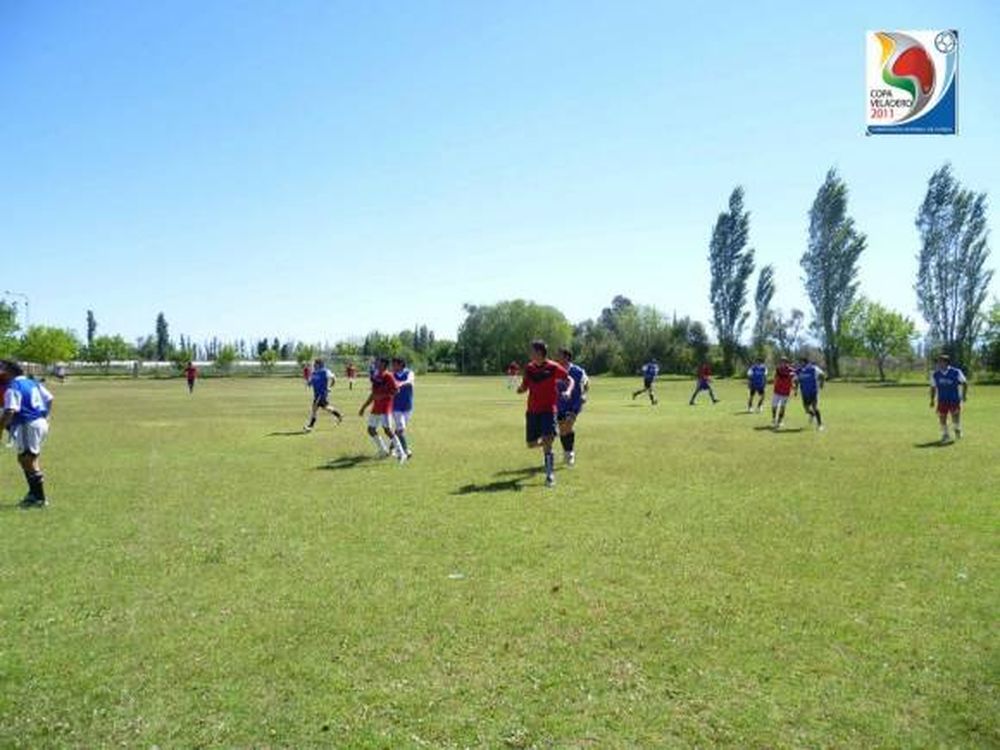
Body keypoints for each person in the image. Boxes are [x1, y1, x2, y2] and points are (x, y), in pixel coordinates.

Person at [518, 340, 574, 487]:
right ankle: (547, 441)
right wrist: (521, 389)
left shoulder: (553, 367)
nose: (530, 354)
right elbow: (525, 386)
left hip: (548, 410)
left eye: (532, 351)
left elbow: (570, 380)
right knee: (531, 444)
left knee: (547, 443)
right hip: (532, 411)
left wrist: (568, 391)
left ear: (539, 352)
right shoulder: (529, 368)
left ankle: (550, 475)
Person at [0, 360, 54, 508]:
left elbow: (10, 410)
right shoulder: (32, 382)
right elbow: (49, 398)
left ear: (9, 371)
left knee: (27, 460)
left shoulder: (13, 387)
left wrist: (1, 427)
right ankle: (33, 494)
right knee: (26, 458)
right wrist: (45, 416)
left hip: (26, 423)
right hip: (39, 422)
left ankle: (39, 498)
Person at [358, 357, 406, 462]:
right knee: (371, 430)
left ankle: (401, 453)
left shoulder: (388, 376)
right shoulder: (376, 376)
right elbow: (373, 394)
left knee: (387, 431)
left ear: (384, 364)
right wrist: (364, 407)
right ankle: (383, 450)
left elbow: (396, 390)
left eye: (378, 362)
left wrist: (383, 396)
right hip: (376, 408)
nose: (376, 363)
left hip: (385, 408)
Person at [556, 348, 589, 467]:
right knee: (562, 429)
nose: (557, 357)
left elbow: (586, 383)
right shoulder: (556, 370)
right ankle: (566, 452)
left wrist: (584, 394)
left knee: (568, 425)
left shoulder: (577, 371)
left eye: (559, 355)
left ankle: (570, 454)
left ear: (566, 357)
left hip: (574, 403)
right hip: (559, 405)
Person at [930, 354, 968, 442]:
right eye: (938, 362)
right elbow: (933, 387)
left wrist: (964, 395)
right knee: (942, 417)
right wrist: (932, 400)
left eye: (940, 362)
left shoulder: (956, 372)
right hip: (942, 400)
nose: (938, 364)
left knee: (955, 416)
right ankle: (945, 434)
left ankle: (957, 428)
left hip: (954, 399)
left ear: (946, 362)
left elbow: (965, 383)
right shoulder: (935, 374)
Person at [304, 358, 343, 431]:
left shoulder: (325, 371)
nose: (314, 365)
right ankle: (339, 415)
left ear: (319, 364)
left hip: (322, 394)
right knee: (326, 407)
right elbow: (310, 382)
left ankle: (310, 426)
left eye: (315, 363)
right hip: (316, 394)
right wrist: (308, 383)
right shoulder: (314, 373)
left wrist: (330, 387)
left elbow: (334, 378)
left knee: (314, 408)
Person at [391, 357, 415, 459]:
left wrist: (400, 383)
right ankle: (406, 450)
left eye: (395, 364)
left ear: (401, 365)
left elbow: (410, 381)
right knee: (401, 429)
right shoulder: (391, 375)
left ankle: (391, 448)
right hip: (396, 406)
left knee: (398, 430)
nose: (393, 367)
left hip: (407, 406)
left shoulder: (409, 373)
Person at [795, 357, 826, 430]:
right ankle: (812, 415)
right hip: (804, 393)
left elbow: (822, 374)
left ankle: (820, 425)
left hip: (813, 391)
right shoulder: (799, 370)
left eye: (801, 362)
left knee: (815, 407)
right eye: (800, 363)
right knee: (806, 409)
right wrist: (796, 389)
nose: (800, 364)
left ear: (805, 362)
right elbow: (797, 380)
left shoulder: (813, 368)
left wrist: (821, 383)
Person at [771, 357, 795, 429]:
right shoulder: (778, 369)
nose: (782, 363)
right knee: (774, 406)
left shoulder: (791, 370)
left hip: (785, 392)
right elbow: (775, 378)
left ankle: (780, 421)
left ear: (787, 362)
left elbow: (794, 378)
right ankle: (774, 418)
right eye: (781, 362)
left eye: (784, 362)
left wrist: (793, 386)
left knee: (782, 407)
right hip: (777, 391)